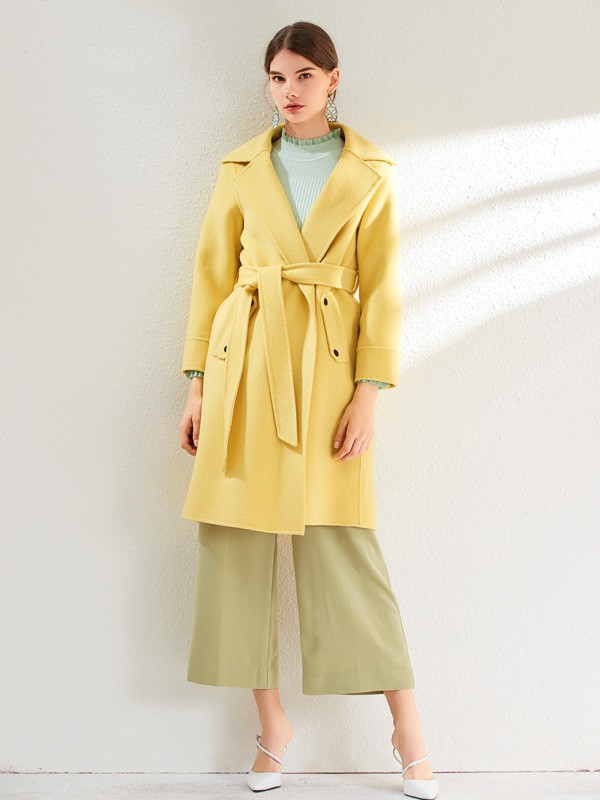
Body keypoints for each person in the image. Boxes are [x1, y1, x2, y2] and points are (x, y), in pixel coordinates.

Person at [177, 21, 439, 799]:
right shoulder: (240, 168)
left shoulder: (370, 172)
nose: (288, 91)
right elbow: (211, 275)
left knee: (344, 547)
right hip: (243, 366)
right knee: (237, 546)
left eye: (303, 76)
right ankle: (272, 726)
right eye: (277, 77)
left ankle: (409, 730)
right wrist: (197, 385)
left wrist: (368, 393)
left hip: (328, 375)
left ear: (332, 80)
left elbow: (383, 289)